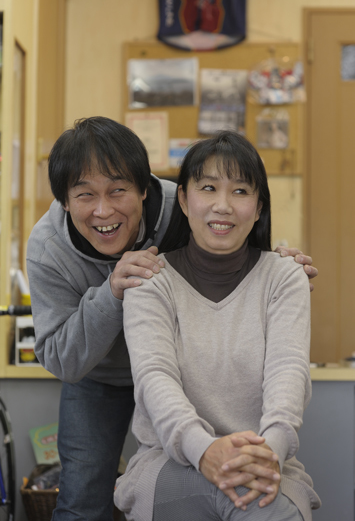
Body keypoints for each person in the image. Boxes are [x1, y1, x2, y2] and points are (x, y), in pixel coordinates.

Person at [26, 117, 317, 521]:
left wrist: (276, 269)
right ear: (64, 200)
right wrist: (113, 292)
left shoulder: (184, 204)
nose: (103, 209)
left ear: (145, 189)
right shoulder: (47, 249)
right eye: (85, 195)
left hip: (189, 370)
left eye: (118, 190)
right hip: (99, 374)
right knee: (82, 500)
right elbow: (62, 360)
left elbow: (229, 240)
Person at [114, 131, 321, 521]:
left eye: (241, 191)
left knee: (266, 502)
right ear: (185, 201)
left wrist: (267, 453)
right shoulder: (148, 280)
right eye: (208, 188)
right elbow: (154, 377)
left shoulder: (285, 278)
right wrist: (204, 450)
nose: (223, 206)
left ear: (259, 207)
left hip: (265, 461)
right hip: (169, 461)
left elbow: (288, 371)